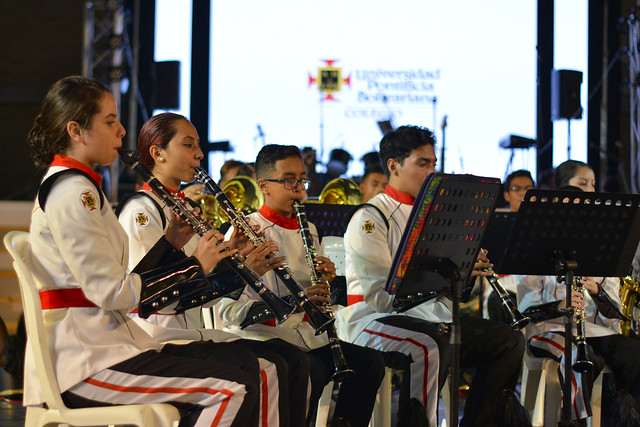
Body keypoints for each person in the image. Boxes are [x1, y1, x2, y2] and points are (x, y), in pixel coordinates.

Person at [25, 75, 261, 426]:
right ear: (76, 131)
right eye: (109, 122)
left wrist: (168, 246)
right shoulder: (74, 192)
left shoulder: (82, 188)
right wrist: (193, 266)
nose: (121, 131)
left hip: (103, 345)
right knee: (231, 387)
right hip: (82, 360)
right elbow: (112, 292)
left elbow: (119, 280)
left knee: (245, 367)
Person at [117, 112, 311, 427]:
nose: (199, 154)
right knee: (269, 366)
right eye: (188, 144)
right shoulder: (142, 210)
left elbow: (203, 296)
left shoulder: (183, 209)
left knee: (291, 358)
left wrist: (235, 260)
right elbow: (151, 297)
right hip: (158, 336)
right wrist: (209, 266)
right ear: (158, 153)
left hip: (188, 331)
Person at [336, 125, 526, 426]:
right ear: (394, 166)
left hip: (433, 319)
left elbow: (457, 294)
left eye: (434, 164)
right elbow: (381, 298)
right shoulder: (370, 217)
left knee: (508, 340)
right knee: (429, 344)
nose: (432, 172)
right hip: (370, 320)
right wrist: (441, 278)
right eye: (422, 164)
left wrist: (464, 275)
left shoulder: (442, 214)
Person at [218, 144, 386, 427]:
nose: (299, 189)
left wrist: (328, 282)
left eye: (302, 180)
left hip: (306, 337)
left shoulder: (309, 228)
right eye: (288, 180)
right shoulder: (243, 231)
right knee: (313, 371)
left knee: (370, 364)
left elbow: (319, 298)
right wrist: (291, 303)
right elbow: (229, 309)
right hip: (263, 337)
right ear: (264, 186)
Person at [519, 161, 640, 423]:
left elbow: (616, 312)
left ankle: (625, 417)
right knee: (579, 358)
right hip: (550, 330)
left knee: (633, 353)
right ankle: (575, 421)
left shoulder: (598, 249)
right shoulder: (535, 246)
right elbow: (527, 308)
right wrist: (561, 303)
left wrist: (596, 290)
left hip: (594, 330)